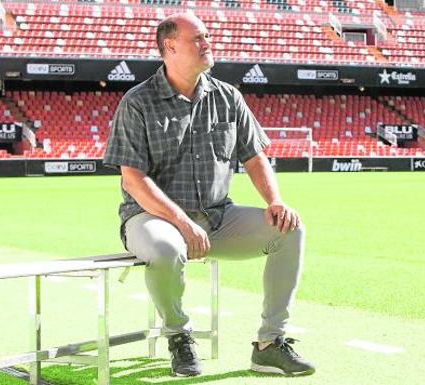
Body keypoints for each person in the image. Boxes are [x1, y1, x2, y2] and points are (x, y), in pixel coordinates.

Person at [103, 12, 314, 377]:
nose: (207, 43)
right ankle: (179, 335)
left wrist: (274, 200)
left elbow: (254, 156)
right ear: (169, 47)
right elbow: (134, 181)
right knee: (167, 248)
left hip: (216, 216)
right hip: (151, 218)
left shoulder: (228, 96)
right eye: (197, 38)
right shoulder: (137, 102)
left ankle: (269, 344)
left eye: (207, 36)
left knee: (289, 229)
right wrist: (182, 223)